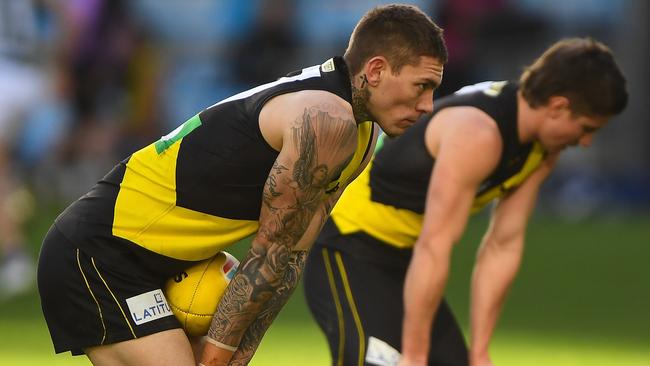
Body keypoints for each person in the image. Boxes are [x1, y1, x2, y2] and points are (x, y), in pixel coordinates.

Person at [36, 4, 447, 366]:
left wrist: (237, 355)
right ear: (375, 70)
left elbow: (288, 259)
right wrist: (217, 357)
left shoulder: (359, 137)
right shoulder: (327, 119)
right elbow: (270, 254)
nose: (428, 105)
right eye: (421, 86)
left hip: (150, 263)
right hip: (97, 251)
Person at [303, 37, 627, 366]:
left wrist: (480, 352)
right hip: (348, 246)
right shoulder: (478, 133)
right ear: (558, 106)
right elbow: (435, 244)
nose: (585, 142)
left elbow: (504, 244)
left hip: (405, 263)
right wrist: (415, 356)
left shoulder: (543, 149)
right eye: (586, 128)